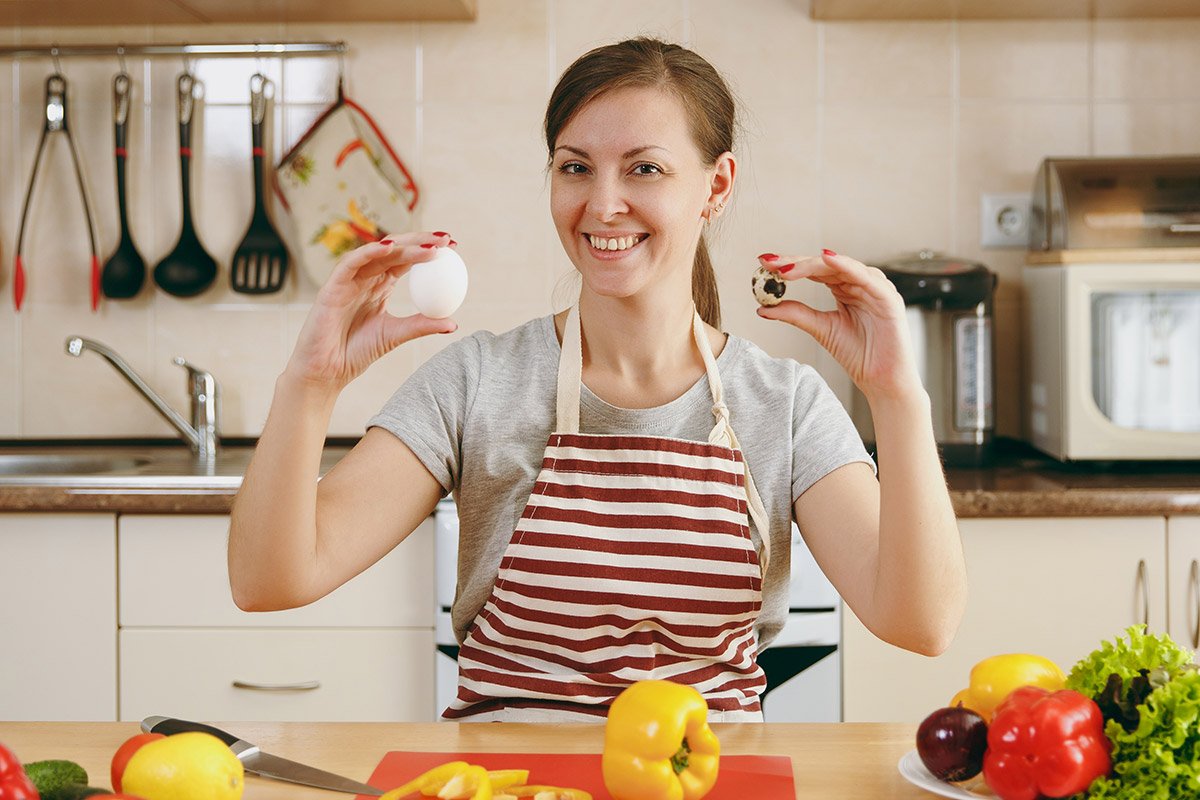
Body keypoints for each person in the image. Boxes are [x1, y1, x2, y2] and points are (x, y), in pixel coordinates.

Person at [228, 37, 967, 722]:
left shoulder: (786, 405)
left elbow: (920, 622)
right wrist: (311, 382)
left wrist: (898, 398)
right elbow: (271, 581)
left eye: (644, 168)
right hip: (514, 783)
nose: (602, 204)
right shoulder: (478, 382)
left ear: (717, 185)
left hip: (709, 783)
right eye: (575, 166)